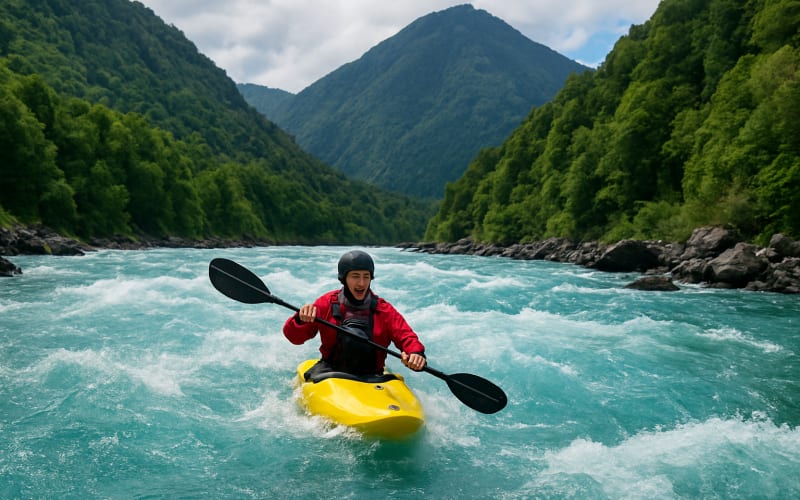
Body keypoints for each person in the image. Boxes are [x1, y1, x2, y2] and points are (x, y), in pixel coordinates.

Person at [283, 250, 426, 378]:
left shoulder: (384, 310)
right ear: (344, 279)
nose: (362, 283)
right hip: (330, 371)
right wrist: (301, 319)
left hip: (372, 375)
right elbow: (294, 338)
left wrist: (416, 354)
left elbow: (406, 337)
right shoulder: (327, 303)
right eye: (355, 276)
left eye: (366, 276)